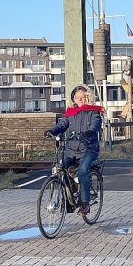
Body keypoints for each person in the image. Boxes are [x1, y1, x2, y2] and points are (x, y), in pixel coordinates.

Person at [44, 85, 103, 215]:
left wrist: (90, 131)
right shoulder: (71, 112)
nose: (80, 99)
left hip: (88, 148)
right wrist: (52, 131)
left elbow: (96, 124)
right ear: (74, 98)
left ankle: (85, 202)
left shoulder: (94, 112)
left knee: (82, 171)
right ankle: (72, 191)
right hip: (71, 149)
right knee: (60, 168)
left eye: (82, 97)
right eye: (77, 97)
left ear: (87, 97)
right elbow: (63, 124)